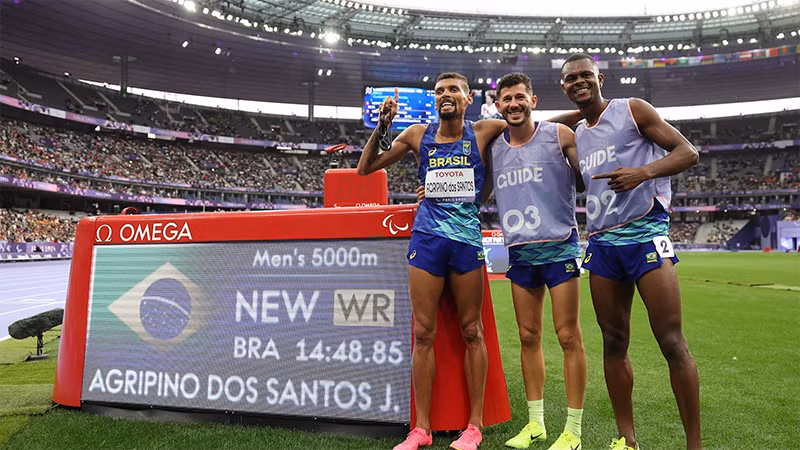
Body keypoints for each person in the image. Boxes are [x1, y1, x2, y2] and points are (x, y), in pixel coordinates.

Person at [357, 73, 507, 450]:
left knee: (472, 331)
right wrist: (382, 126)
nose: (445, 95)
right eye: (439, 91)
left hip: (466, 242)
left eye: (453, 90)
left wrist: (480, 194)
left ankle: (473, 427)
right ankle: (420, 429)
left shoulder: (485, 130)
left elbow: (526, 131)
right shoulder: (416, 135)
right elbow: (365, 168)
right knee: (424, 333)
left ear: (468, 98)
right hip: (427, 240)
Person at [560, 54, 701, 450]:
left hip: (645, 234)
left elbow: (688, 152)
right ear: (565, 87)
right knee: (613, 340)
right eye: (571, 79)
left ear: (600, 78)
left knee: (671, 341)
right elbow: (541, 130)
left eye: (585, 75)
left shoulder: (632, 110)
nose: (579, 82)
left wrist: (643, 173)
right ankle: (627, 439)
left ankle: (695, 445)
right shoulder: (575, 135)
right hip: (603, 242)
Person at [487, 73, 588, 450]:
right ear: (498, 106)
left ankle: (573, 431)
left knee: (567, 336)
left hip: (560, 246)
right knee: (528, 337)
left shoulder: (559, 136)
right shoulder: (494, 147)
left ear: (532, 99)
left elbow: (589, 174)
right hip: (519, 251)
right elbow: (475, 193)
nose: (513, 104)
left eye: (519, 97)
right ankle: (536, 425)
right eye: (506, 99)